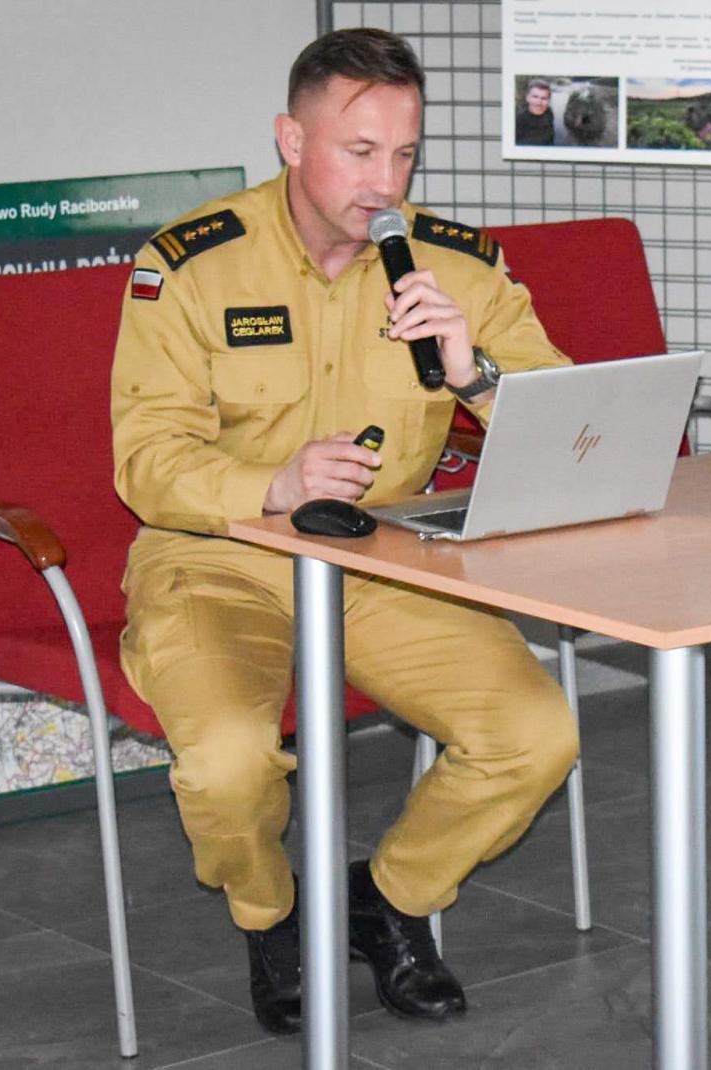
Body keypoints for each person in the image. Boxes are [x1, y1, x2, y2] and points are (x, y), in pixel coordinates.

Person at [110, 28, 579, 1035]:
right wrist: (268, 479)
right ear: (290, 138)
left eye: (405, 153)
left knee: (534, 734)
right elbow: (144, 462)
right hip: (221, 557)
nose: (387, 180)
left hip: (377, 557)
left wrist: (473, 372)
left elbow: (573, 434)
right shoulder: (189, 265)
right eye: (359, 151)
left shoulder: (453, 267)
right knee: (229, 762)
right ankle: (271, 913)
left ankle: (393, 897)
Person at [516, 78, 555, 145]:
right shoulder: (519, 119)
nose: (539, 102)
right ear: (527, 98)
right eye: (535, 97)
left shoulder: (549, 112)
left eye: (544, 98)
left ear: (548, 101)